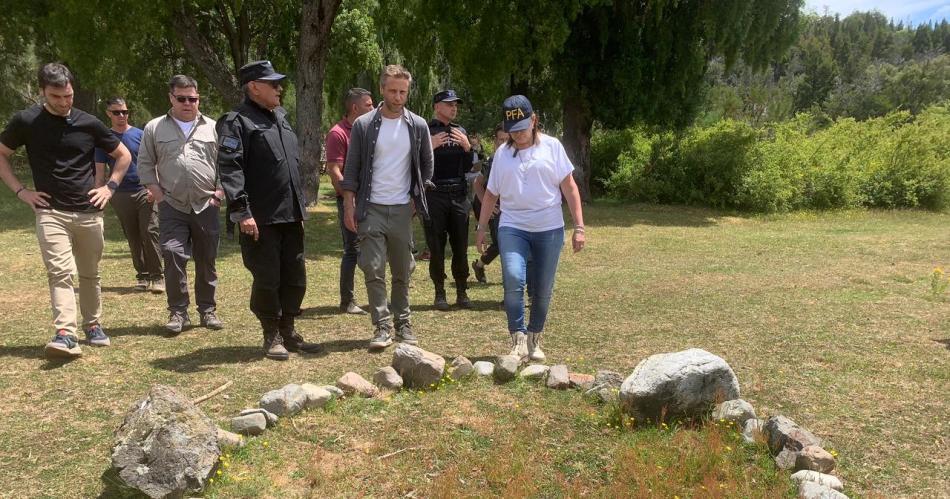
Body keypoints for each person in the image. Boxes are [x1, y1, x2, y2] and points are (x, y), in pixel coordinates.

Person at [0, 63, 131, 358]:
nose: (63, 102)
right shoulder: (26, 121)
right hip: (50, 211)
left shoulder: (89, 123)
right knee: (60, 272)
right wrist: (22, 192)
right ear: (42, 92)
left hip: (88, 211)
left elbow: (123, 155)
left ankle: (93, 324)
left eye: (68, 95)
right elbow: (2, 154)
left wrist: (109, 187)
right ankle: (65, 333)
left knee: (90, 272)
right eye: (55, 96)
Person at [217, 60, 321, 360]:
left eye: (279, 83)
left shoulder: (281, 118)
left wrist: (299, 210)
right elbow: (230, 169)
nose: (279, 88)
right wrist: (242, 211)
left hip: (289, 214)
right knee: (267, 278)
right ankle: (271, 333)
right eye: (273, 83)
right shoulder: (236, 121)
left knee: (295, 275)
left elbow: (292, 168)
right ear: (253, 87)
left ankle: (288, 330)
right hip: (260, 218)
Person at [475, 95, 585, 362]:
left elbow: (569, 187)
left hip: (549, 228)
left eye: (523, 127)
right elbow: (490, 194)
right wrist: (481, 228)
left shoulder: (552, 147)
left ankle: (535, 338)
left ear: (534, 120)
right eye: (513, 130)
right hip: (513, 227)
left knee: (543, 288)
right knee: (513, 279)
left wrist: (579, 226)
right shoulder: (502, 154)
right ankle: (518, 339)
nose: (519, 135)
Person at [341, 64, 433, 351]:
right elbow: (352, 168)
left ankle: (403, 321)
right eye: (392, 91)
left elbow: (427, 166)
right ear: (382, 89)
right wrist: (348, 205)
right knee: (374, 267)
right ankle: (382, 325)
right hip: (371, 208)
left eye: (402, 91)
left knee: (403, 269)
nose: (397, 96)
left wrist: (416, 198)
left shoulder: (417, 125)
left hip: (403, 208)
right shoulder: (364, 125)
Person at [138, 75, 224, 335]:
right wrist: (158, 195)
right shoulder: (154, 128)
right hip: (172, 205)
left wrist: (219, 194)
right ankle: (178, 312)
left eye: (193, 99)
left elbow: (226, 165)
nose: (188, 103)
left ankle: (207, 310)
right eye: (182, 98)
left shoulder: (213, 127)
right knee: (173, 254)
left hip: (206, 205)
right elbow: (144, 164)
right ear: (171, 98)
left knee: (206, 259)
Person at [94, 97, 164, 293]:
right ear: (108, 114)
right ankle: (142, 276)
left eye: (125, 111)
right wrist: (99, 195)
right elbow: (100, 172)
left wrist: (154, 187)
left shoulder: (141, 135)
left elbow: (154, 162)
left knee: (150, 231)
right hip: (120, 194)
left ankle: (158, 277)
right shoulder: (104, 140)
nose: (122, 115)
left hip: (144, 190)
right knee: (133, 236)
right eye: (117, 112)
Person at [325, 87, 374, 316]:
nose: (373, 108)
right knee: (352, 250)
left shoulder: (369, 130)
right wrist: (349, 199)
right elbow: (334, 170)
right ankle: (348, 301)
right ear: (355, 107)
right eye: (369, 104)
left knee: (373, 248)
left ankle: (375, 297)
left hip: (372, 199)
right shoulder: (338, 133)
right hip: (351, 201)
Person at [426, 89, 474, 310]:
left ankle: (462, 291)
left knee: (461, 245)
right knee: (436, 245)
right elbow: (414, 164)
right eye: (449, 104)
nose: (454, 108)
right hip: (435, 194)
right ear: (437, 106)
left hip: (458, 194)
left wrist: (467, 147)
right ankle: (439, 292)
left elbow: (467, 167)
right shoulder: (425, 130)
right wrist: (428, 146)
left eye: (456, 104)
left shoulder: (460, 131)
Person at [471, 124, 509, 284]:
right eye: (501, 140)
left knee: (505, 243)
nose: (504, 143)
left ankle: (479, 265)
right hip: (489, 206)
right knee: (502, 243)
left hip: (507, 207)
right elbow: (477, 183)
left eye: (508, 139)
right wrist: (490, 205)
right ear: (495, 141)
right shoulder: (492, 161)